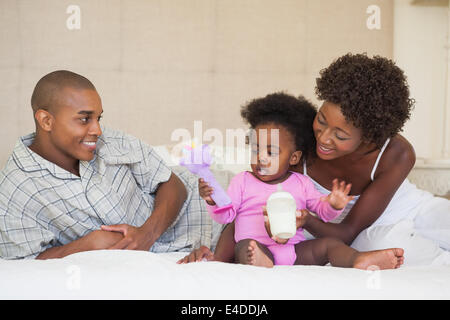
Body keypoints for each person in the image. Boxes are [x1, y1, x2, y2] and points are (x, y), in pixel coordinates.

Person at [179, 53, 450, 266]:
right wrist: (216, 257)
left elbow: (348, 229)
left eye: (340, 135)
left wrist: (306, 218)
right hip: (346, 232)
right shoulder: (298, 148)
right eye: (321, 120)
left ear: (369, 137)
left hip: (401, 209)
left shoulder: (397, 154)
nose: (323, 137)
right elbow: (246, 207)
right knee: (393, 247)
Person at [179, 92, 404, 269]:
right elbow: (229, 215)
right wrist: (212, 199)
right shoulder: (243, 181)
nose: (261, 158)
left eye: (271, 152)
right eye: (256, 149)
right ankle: (260, 263)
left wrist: (334, 204)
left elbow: (321, 210)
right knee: (245, 246)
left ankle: (358, 260)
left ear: (294, 157)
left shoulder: (301, 182)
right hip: (257, 248)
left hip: (293, 251)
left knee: (329, 246)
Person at [0, 70, 209, 260]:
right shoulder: (15, 190)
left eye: (98, 118)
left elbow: (174, 183)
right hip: (191, 252)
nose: (98, 130)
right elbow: (23, 262)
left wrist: (146, 234)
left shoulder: (108, 141)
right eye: (84, 119)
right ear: (46, 121)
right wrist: (89, 244)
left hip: (209, 205)